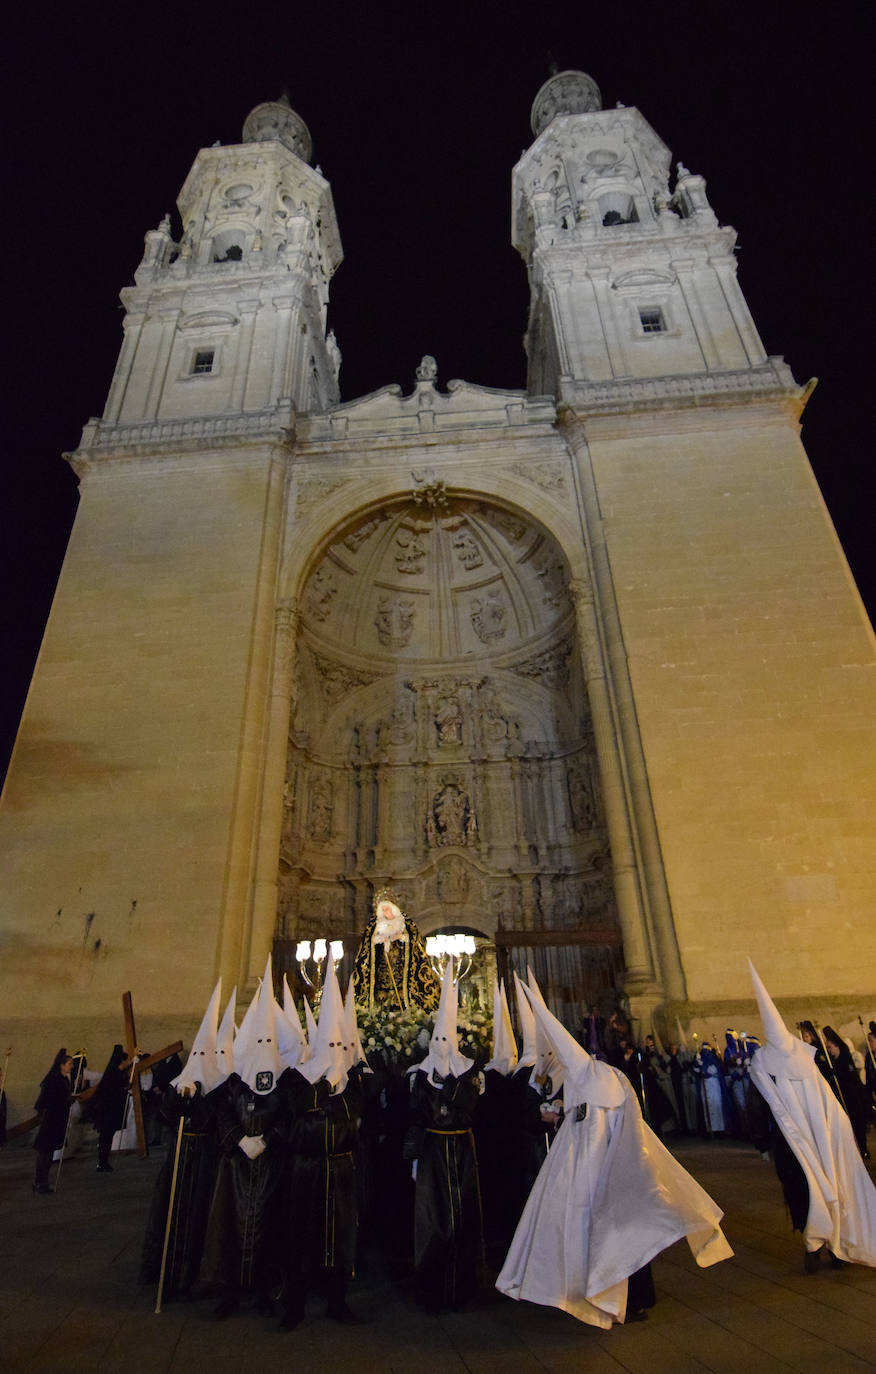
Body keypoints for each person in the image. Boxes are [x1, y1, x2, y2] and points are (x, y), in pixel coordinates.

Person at [497, 974, 733, 1328]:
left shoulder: (595, 1082)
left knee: (619, 1233)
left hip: (610, 1165)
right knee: (611, 1233)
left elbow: (590, 1124)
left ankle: (624, 1298)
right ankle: (617, 1297)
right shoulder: (602, 1078)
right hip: (607, 1165)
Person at [748, 962, 876, 1273]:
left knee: (817, 1186)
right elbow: (761, 1106)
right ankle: (817, 1242)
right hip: (794, 1142)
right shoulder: (769, 1063)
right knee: (804, 1189)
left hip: (812, 1139)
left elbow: (824, 1100)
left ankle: (826, 1244)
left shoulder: (787, 1060)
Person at [201, 959, 291, 1319]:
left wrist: (267, 1138)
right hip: (237, 1168)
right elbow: (222, 1111)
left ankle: (265, 1290)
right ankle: (230, 1291)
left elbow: (289, 1115)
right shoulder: (235, 1079)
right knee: (231, 1227)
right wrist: (240, 1139)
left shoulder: (283, 1079)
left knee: (270, 1227)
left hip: (270, 1166)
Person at [280, 956, 365, 1329]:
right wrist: (326, 1088)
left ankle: (337, 1301)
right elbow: (298, 1108)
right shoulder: (299, 1078)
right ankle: (294, 1306)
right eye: (326, 1041)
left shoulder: (354, 1079)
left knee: (341, 1237)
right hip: (307, 1168)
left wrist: (331, 1094)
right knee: (299, 1236)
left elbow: (352, 1110)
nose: (332, 1048)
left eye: (337, 1042)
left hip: (342, 1169)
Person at [139, 981, 232, 1301]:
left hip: (205, 1161)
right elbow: (166, 1116)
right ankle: (165, 1272)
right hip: (179, 1160)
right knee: (170, 1215)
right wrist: (178, 1098)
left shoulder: (219, 1088)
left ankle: (194, 1275)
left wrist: (196, 1100)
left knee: (199, 1220)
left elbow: (213, 1120)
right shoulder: (182, 1083)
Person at [406, 956, 483, 1312]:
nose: (439, 1044)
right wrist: (414, 1156)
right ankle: (431, 1288)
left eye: (445, 1038)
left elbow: (468, 1109)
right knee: (432, 1220)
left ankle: (463, 1288)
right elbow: (415, 1114)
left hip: (462, 1152)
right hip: (434, 1151)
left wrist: (455, 1080)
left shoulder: (469, 1076)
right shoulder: (419, 1077)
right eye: (435, 1039)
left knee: (464, 1217)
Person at [352, 889, 440, 1012]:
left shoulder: (405, 922)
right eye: (383, 910)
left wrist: (400, 937)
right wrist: (379, 940)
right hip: (382, 967)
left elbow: (414, 940)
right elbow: (367, 944)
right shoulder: (375, 924)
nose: (385, 912)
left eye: (387, 909)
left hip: (402, 968)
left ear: (393, 908)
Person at [822, 1025, 870, 1160]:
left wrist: (837, 1075)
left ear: (837, 1046)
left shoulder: (845, 1059)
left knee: (856, 1124)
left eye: (830, 1047)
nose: (829, 1050)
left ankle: (862, 1148)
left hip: (852, 1098)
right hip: (842, 1099)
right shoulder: (833, 1062)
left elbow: (850, 1078)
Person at [81, 1044, 130, 1171]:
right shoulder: (113, 1073)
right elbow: (113, 1090)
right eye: (127, 1060)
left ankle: (103, 1162)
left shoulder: (116, 1072)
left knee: (107, 1137)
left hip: (110, 1111)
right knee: (105, 1137)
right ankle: (102, 1162)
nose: (128, 1062)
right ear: (122, 1061)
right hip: (107, 1111)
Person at [32, 1049, 74, 1193]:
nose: (71, 1066)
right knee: (44, 1152)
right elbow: (50, 1100)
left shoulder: (64, 1079)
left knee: (49, 1152)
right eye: (69, 1063)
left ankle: (43, 1182)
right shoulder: (54, 1080)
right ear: (61, 1065)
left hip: (58, 1120)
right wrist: (66, 1100)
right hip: (50, 1120)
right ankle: (39, 1182)